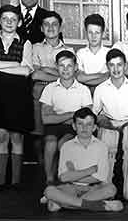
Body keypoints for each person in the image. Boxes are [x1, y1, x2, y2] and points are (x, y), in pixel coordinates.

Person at [0, 4, 34, 191]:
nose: (9, 22)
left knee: (16, 138)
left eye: (13, 19)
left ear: (19, 22)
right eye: (5, 19)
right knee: (1, 136)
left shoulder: (25, 42)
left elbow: (26, 70)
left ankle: (16, 183)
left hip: (18, 95)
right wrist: (14, 63)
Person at [41, 107, 123, 212]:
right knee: (49, 191)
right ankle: (97, 205)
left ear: (94, 128)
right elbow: (63, 177)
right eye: (80, 124)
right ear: (74, 126)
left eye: (89, 124)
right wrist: (89, 171)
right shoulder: (66, 146)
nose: (84, 128)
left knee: (111, 189)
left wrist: (74, 174)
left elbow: (100, 177)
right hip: (71, 188)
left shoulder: (101, 146)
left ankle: (63, 203)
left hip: (93, 188)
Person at [92, 49, 128, 204]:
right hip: (110, 123)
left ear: (125, 66)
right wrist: (105, 122)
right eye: (112, 65)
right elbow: (95, 115)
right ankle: (106, 190)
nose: (116, 69)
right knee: (107, 143)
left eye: (119, 65)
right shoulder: (101, 88)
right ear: (107, 67)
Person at [39, 50, 93, 184]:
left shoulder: (83, 90)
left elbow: (85, 119)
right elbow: (46, 119)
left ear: (75, 68)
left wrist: (59, 116)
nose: (65, 69)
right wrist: (71, 114)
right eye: (61, 66)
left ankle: (67, 178)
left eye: (69, 66)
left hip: (73, 127)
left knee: (65, 144)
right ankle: (49, 178)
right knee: (51, 143)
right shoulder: (50, 89)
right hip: (54, 127)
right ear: (56, 67)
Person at [31, 11, 74, 161]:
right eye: (46, 24)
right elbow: (35, 75)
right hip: (39, 91)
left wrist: (45, 68)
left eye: (54, 24)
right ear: (41, 28)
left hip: (61, 94)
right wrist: (59, 73)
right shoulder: (35, 47)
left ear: (60, 28)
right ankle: (40, 168)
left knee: (57, 133)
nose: (50, 27)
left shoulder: (68, 51)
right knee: (38, 133)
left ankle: (57, 169)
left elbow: (71, 76)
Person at [76, 14, 110, 88]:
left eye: (97, 33)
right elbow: (79, 78)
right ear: (86, 33)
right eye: (90, 32)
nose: (93, 36)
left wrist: (86, 77)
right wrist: (101, 75)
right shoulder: (80, 53)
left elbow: (108, 78)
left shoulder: (109, 53)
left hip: (105, 90)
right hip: (84, 90)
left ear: (103, 34)